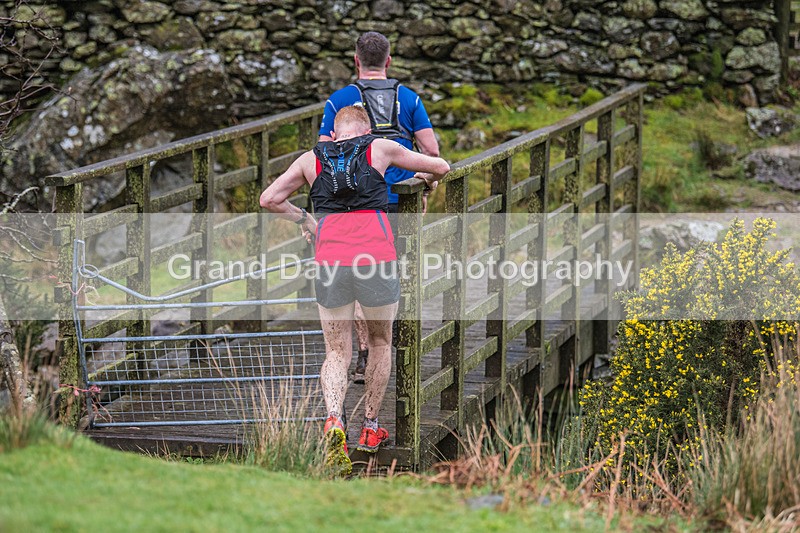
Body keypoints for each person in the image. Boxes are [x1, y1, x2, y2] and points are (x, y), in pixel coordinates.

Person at [260, 106, 449, 476]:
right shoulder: (380, 147)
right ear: (366, 128)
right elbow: (439, 165)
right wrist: (429, 181)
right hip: (375, 256)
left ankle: (334, 421)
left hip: (330, 258)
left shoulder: (309, 160)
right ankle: (371, 427)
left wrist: (306, 220)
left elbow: (269, 199)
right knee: (379, 344)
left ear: (333, 132)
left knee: (336, 350)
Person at [319, 31, 441, 384]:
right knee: (398, 271)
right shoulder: (409, 98)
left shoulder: (340, 101)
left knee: (361, 273)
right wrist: (424, 181)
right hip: (402, 199)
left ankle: (364, 353)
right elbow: (432, 151)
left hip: (354, 206)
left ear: (356, 61)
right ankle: (390, 346)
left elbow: (325, 152)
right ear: (388, 61)